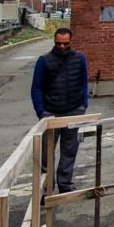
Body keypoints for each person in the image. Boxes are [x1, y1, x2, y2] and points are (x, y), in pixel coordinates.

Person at [31, 27, 89, 193]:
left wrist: (83, 105)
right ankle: (47, 188)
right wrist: (41, 112)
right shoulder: (44, 61)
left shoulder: (79, 58)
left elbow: (84, 82)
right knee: (46, 154)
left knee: (69, 150)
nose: (62, 47)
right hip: (51, 113)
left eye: (65, 43)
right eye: (58, 43)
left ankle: (65, 184)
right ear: (54, 41)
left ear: (71, 41)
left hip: (74, 110)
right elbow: (36, 87)